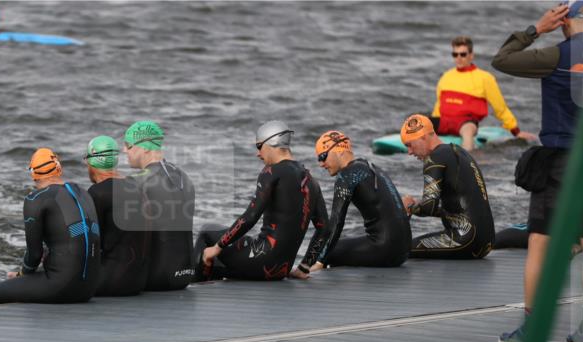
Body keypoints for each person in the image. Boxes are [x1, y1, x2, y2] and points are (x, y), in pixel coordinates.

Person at [492, 0, 583, 342]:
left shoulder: (553, 56)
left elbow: (502, 59)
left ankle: (532, 328)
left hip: (557, 161)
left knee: (540, 241)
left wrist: (535, 29)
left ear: (565, 23)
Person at [196, 121, 326, 281]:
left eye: (259, 146)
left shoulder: (271, 172)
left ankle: (193, 286)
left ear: (272, 141)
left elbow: (250, 217)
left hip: (260, 260)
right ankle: (214, 273)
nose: (258, 153)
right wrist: (304, 266)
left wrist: (218, 247)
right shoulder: (311, 180)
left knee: (206, 232)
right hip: (280, 270)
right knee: (218, 265)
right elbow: (324, 228)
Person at [0, 148, 101, 306]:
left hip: (62, 287)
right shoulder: (83, 193)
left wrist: (22, 275)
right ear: (59, 168)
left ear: (33, 173)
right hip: (89, 287)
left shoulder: (35, 198)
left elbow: (34, 255)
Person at [293, 130, 410, 273]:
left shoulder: (347, 175)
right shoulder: (369, 166)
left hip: (385, 250)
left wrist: (313, 263)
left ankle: (308, 270)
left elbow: (335, 224)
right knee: (340, 245)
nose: (321, 164)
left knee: (331, 251)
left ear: (339, 151)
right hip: (403, 250)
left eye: (323, 157)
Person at [400, 114, 495, 260]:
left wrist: (409, 206)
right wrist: (416, 205)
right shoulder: (458, 151)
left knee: (401, 249)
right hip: (487, 242)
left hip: (466, 239)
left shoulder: (434, 159)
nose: (409, 152)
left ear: (423, 137)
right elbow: (457, 208)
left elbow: (428, 207)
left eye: (409, 145)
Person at [122, 121, 195, 291]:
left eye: (128, 145)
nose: (124, 150)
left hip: (155, 277)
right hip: (185, 274)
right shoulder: (184, 176)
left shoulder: (137, 180)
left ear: (145, 147)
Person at [432, 35, 536, 151]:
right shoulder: (446, 77)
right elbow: (438, 106)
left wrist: (515, 131)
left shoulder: (485, 78)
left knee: (467, 133)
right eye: (455, 54)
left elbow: (500, 108)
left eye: (463, 54)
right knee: (419, 122)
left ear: (471, 56)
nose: (459, 58)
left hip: (465, 123)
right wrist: (431, 127)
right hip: (444, 122)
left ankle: (465, 162)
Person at [86, 135, 149, 296]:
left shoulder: (97, 193)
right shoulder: (136, 186)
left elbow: (88, 242)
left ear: (92, 161)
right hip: (138, 282)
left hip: (110, 282)